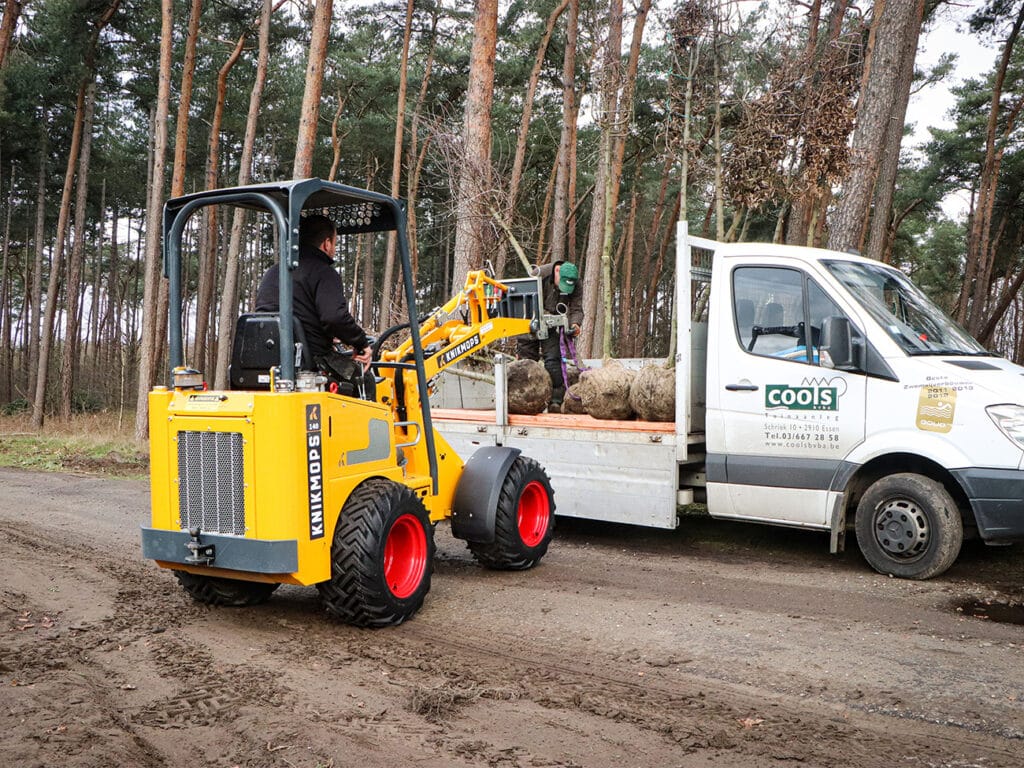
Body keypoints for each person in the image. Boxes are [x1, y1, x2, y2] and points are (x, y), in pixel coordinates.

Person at [255, 214, 373, 388]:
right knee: (365, 381)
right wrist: (361, 343)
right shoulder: (324, 273)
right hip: (308, 365)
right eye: (334, 243)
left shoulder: (274, 272)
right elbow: (334, 317)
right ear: (326, 243)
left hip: (265, 363)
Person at [516, 260, 584, 408]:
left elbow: (577, 308)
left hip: (553, 324)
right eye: (562, 285)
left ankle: (555, 402)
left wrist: (575, 324)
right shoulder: (538, 276)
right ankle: (523, 400)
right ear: (557, 272)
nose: (564, 289)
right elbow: (522, 301)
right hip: (529, 320)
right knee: (526, 362)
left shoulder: (576, 283)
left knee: (553, 361)